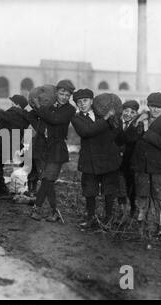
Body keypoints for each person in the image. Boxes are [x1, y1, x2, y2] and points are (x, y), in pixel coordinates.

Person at [71, 89, 122, 228]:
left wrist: (115, 119)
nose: (82, 104)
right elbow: (86, 132)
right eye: (78, 102)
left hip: (108, 158)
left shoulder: (102, 112)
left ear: (92, 101)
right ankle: (90, 218)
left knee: (109, 190)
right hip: (90, 161)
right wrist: (106, 119)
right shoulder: (76, 118)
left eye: (85, 101)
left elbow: (117, 132)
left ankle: (109, 217)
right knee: (90, 191)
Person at [28, 80, 76, 222]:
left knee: (48, 179)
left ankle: (45, 210)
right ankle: (48, 211)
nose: (64, 97)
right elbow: (31, 116)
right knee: (46, 180)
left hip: (57, 149)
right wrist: (41, 127)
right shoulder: (49, 106)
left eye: (67, 95)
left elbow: (55, 120)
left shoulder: (69, 109)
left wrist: (39, 107)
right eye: (62, 93)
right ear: (56, 93)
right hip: (42, 148)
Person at [130, 92, 161, 238]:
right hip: (141, 166)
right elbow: (132, 138)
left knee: (160, 197)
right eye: (153, 107)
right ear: (148, 106)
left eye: (159, 107)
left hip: (159, 167)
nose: (155, 110)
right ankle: (141, 222)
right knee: (142, 194)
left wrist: (147, 128)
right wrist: (137, 122)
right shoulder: (141, 120)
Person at [114, 100, 140, 221]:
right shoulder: (116, 123)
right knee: (119, 187)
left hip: (131, 163)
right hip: (117, 162)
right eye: (126, 111)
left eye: (132, 112)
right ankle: (122, 212)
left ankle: (133, 209)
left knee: (131, 187)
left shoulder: (138, 126)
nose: (128, 114)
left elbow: (131, 139)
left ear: (136, 114)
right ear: (122, 111)